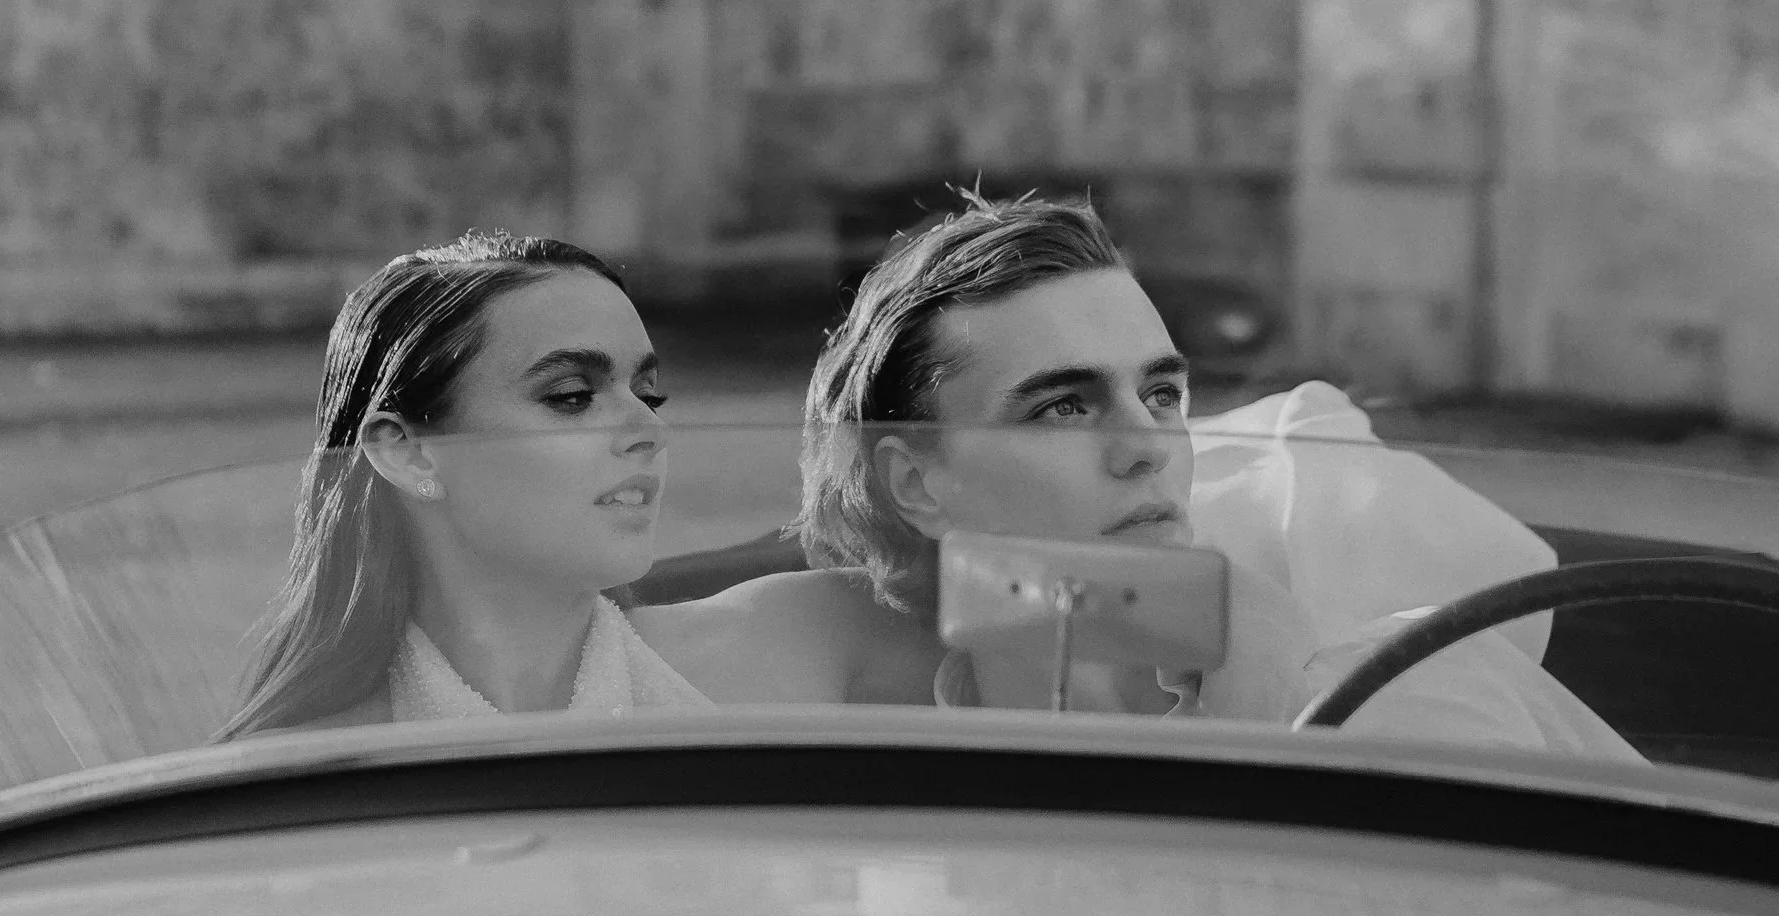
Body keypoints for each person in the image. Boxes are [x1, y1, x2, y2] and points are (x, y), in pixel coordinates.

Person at [638, 192, 1644, 759]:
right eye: (1063, 408)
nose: (1147, 446)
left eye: (1162, 395)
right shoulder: (838, 659)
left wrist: (1267, 657)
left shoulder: (1409, 693)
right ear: (918, 483)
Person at [227, 233, 715, 734]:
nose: (652, 430)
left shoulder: (749, 661)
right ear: (408, 453)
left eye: (648, 396)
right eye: (572, 396)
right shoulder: (300, 767)